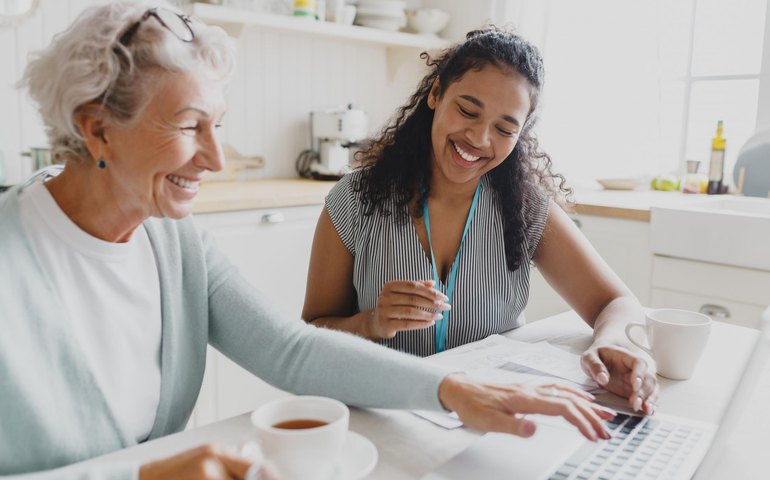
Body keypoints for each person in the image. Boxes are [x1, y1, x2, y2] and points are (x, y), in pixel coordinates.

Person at [0, 3, 616, 479]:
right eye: (191, 127)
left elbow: (291, 348)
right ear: (97, 129)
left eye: (219, 125)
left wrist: (450, 389)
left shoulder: (175, 244)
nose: (216, 159)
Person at [303, 27, 659, 416]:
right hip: (383, 415)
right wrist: (369, 323)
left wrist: (616, 343)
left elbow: (618, 302)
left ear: (521, 134)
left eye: (505, 128)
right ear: (435, 94)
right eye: (467, 111)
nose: (479, 137)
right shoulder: (355, 200)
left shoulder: (525, 207)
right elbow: (310, 335)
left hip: (487, 422)